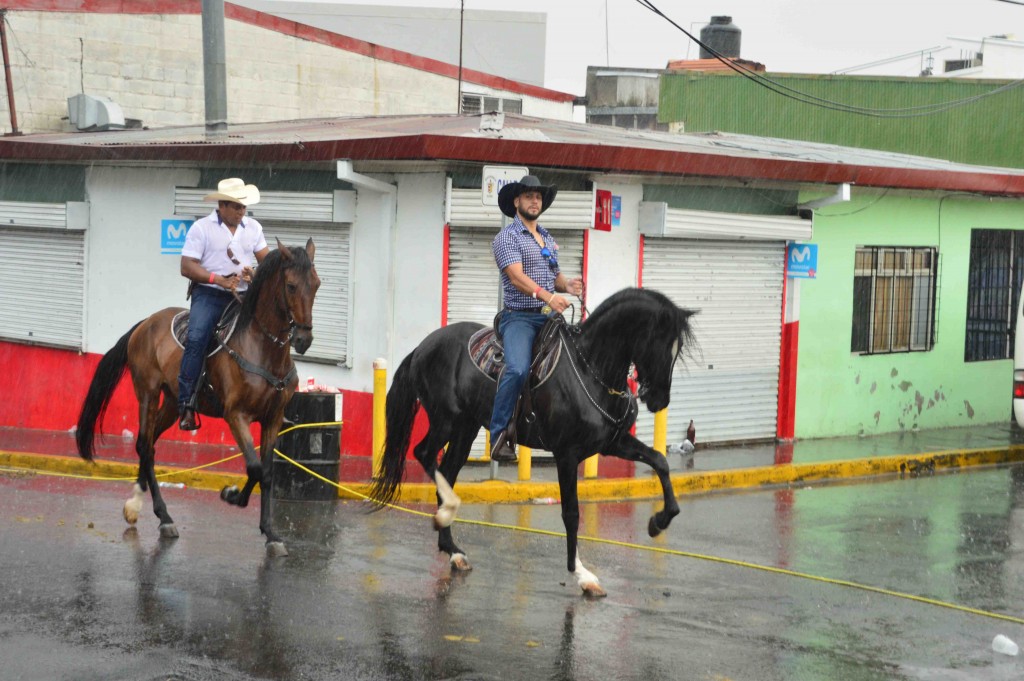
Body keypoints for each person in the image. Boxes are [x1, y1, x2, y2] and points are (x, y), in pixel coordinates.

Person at [489, 175, 583, 463]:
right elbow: (517, 277)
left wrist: (567, 286)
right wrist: (548, 297)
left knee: (578, 360)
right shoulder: (507, 237)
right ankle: (500, 434)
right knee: (517, 370)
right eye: (528, 196)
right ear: (516, 202)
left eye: (538, 197)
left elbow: (554, 276)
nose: (534, 201)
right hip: (519, 318)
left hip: (548, 317)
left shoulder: (547, 237)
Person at [176, 178, 270, 430]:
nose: (242, 213)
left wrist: (256, 274)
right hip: (209, 294)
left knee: (271, 333)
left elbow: (267, 262)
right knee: (197, 338)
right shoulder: (201, 228)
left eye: (243, 208)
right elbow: (186, 266)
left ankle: (271, 400)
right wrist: (218, 279)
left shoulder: (253, 228)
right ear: (222, 206)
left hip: (243, 295)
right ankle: (187, 403)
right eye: (237, 207)